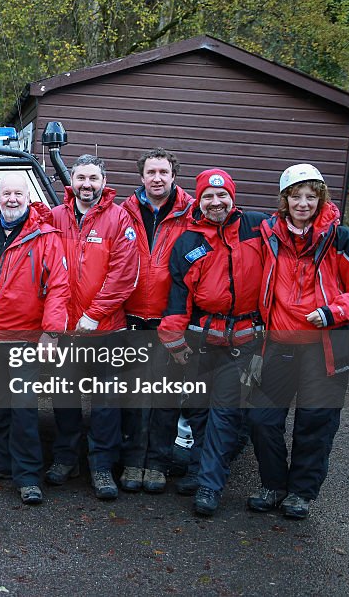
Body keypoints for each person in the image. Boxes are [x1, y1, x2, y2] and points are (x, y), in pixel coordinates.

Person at [247, 164, 349, 519]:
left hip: (325, 346)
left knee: (315, 422)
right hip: (280, 343)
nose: (303, 203)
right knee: (261, 418)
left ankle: (300, 493)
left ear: (320, 198)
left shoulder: (340, 238)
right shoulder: (269, 236)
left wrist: (334, 311)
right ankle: (273, 485)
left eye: (310, 196)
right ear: (285, 199)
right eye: (296, 196)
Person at [158, 169, 267, 516]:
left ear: (232, 197)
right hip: (204, 336)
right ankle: (199, 469)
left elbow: (300, 231)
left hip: (246, 338)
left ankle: (209, 485)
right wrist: (173, 339)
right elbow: (179, 296)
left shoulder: (258, 228)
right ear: (199, 200)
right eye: (208, 196)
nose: (216, 202)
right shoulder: (189, 241)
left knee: (224, 413)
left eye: (222, 196)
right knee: (198, 409)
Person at [0, 172, 70, 505]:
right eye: (5, 193)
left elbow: (59, 287)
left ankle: (27, 475)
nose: (11, 199)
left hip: (26, 336)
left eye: (17, 193)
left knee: (24, 408)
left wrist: (51, 331)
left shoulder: (46, 236)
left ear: (28, 197)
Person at [50, 154, 138, 500]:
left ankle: (101, 466)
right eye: (81, 178)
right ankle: (65, 459)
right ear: (71, 181)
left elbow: (123, 275)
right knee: (64, 399)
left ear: (104, 182)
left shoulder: (119, 219)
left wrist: (94, 314)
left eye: (93, 179)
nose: (86, 185)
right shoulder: (56, 216)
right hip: (66, 329)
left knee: (105, 403)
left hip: (105, 328)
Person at [120, 148, 194, 493]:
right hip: (133, 317)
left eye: (163, 172)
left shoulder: (191, 212)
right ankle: (134, 461)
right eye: (151, 172)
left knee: (166, 397)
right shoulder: (125, 211)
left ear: (173, 175)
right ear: (142, 176)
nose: (157, 178)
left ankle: (158, 463)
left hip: (170, 318)